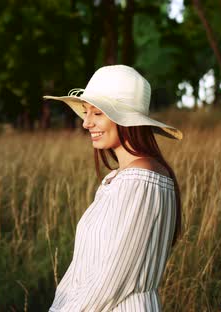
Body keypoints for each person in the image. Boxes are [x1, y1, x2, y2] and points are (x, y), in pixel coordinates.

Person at [43, 65, 183, 311]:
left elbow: (111, 278)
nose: (86, 123)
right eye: (86, 112)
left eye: (97, 113)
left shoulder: (140, 181)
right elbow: (87, 270)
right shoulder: (122, 178)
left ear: (126, 120)